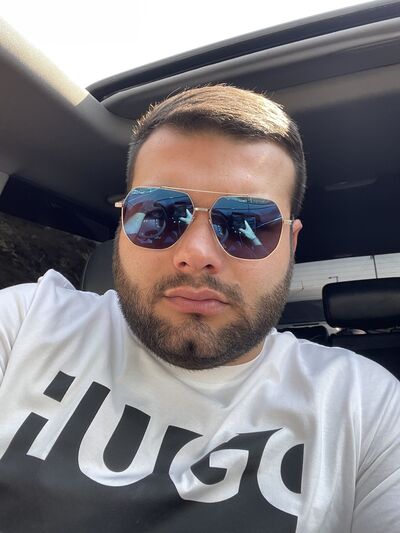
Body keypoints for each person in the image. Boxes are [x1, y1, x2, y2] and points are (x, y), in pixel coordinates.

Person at [0, 85, 398, 533]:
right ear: (123, 225)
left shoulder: (363, 406)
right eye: (157, 215)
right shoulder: (26, 323)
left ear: (291, 243)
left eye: (247, 224)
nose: (196, 254)